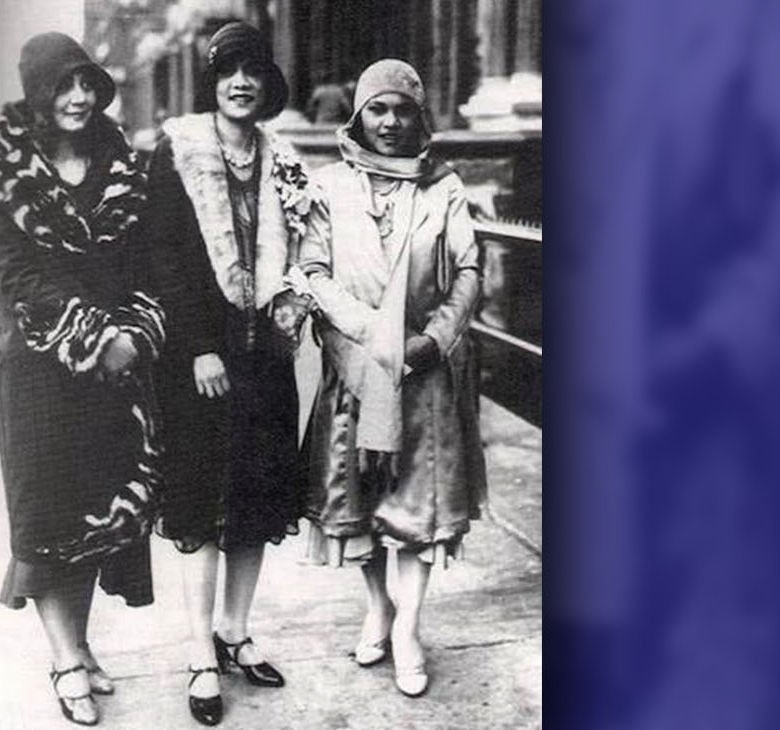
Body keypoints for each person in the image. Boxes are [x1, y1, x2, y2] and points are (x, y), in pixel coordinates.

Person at [0, 32, 165, 726]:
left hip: (115, 368)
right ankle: (63, 660)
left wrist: (134, 334)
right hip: (38, 361)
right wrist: (95, 335)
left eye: (87, 84)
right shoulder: (0, 175)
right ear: (37, 93)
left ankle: (79, 646)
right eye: (64, 86)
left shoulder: (129, 168)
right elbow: (18, 276)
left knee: (101, 512)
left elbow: (146, 265)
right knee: (46, 512)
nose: (79, 98)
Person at [297, 59, 487, 698]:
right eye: (377, 109)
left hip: (423, 371)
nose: (390, 122)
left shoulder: (444, 187)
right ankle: (377, 605)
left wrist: (431, 341)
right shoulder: (329, 187)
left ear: (419, 116)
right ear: (358, 115)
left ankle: (408, 627)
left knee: (415, 508)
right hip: (355, 368)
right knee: (359, 503)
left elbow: (467, 270)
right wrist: (366, 335)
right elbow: (313, 270)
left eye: (402, 110)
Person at [141, 21, 313, 727]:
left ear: (268, 83)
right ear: (211, 83)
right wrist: (195, 348)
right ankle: (199, 656)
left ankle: (235, 632)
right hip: (201, 363)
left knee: (256, 500)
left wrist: (296, 295)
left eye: (252, 71)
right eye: (227, 72)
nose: (241, 83)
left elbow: (308, 243)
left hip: (266, 359)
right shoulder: (177, 152)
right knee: (203, 506)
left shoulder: (284, 157)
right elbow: (162, 259)